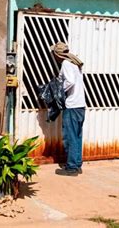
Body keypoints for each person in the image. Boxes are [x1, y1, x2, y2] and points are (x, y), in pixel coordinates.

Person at [51, 42, 86, 177]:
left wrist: (60, 91)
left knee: (70, 136)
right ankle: (76, 164)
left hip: (72, 105)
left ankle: (71, 168)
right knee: (77, 136)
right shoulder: (74, 63)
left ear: (57, 54)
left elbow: (70, 81)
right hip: (80, 105)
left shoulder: (66, 64)